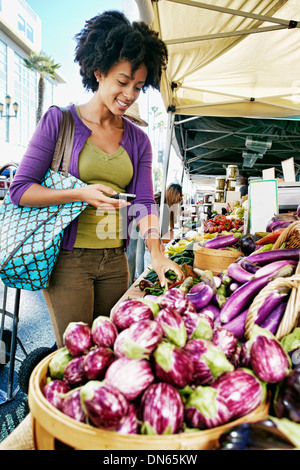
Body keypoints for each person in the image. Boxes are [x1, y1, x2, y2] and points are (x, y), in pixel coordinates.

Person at [9, 10, 183, 348]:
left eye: (138, 86)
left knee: (112, 350)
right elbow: (20, 190)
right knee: (77, 354)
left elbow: (145, 202)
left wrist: (156, 253)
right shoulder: (59, 121)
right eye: (122, 81)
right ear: (98, 70)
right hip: (69, 262)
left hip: (117, 261)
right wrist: (81, 194)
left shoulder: (138, 140)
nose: (130, 94)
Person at [123, 101, 147, 285]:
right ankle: (131, 282)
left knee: (134, 253)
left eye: (133, 122)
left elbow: (144, 194)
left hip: (132, 214)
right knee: (133, 253)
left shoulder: (139, 145)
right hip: (124, 217)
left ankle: (131, 284)